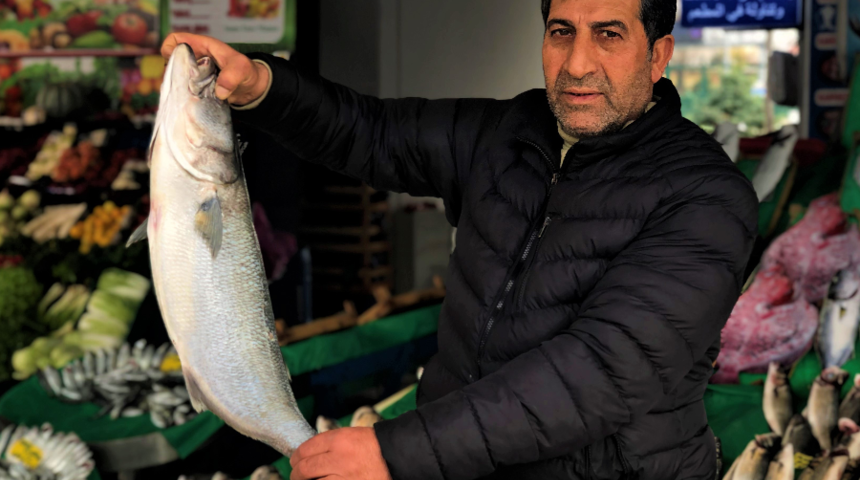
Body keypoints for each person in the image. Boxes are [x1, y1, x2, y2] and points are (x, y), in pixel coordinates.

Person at [161, 0, 758, 477]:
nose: (577, 64)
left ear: (658, 55)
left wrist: (395, 453)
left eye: (608, 34)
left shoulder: (706, 196)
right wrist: (262, 84)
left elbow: (601, 372)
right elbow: (370, 132)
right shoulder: (505, 133)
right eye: (560, 32)